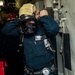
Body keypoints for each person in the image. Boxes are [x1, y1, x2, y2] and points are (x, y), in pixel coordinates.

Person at [0, 3, 60, 75]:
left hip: (45, 72)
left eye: (30, 19)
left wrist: (45, 17)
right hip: (28, 72)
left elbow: (54, 29)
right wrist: (20, 19)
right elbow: (5, 30)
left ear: (36, 15)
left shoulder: (44, 28)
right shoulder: (23, 31)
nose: (28, 23)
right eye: (25, 20)